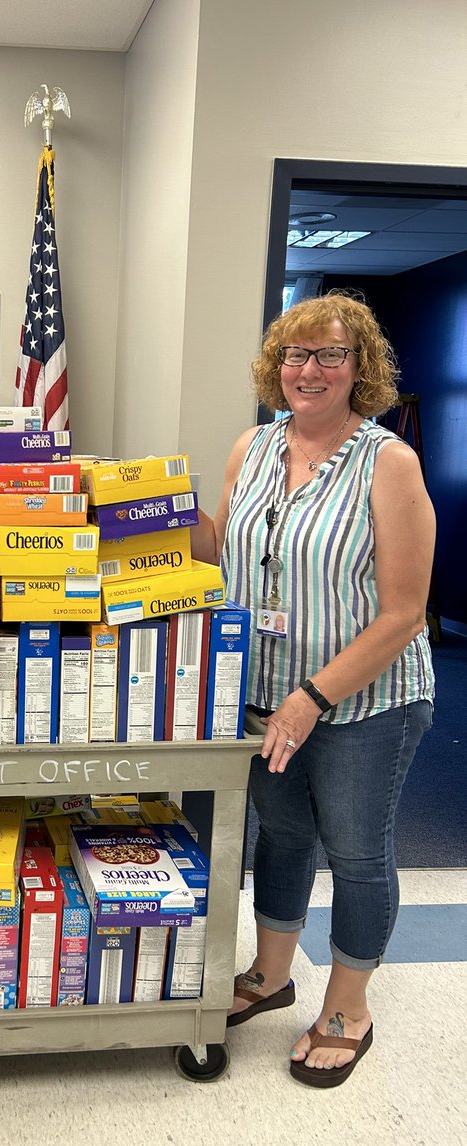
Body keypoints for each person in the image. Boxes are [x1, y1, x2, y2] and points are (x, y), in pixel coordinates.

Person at [192, 291, 434, 1088]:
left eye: (331, 355)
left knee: (358, 852)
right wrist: (152, 506)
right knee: (284, 838)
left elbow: (403, 612)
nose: (310, 370)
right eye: (296, 354)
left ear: (359, 369)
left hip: (366, 700)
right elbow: (223, 550)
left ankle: (347, 1010)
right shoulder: (252, 447)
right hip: (264, 690)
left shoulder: (387, 462)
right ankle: (270, 976)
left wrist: (312, 697)